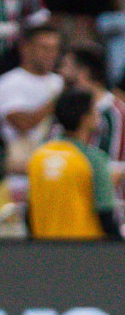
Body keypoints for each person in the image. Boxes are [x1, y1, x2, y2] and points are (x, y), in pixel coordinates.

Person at [27, 88, 120, 240]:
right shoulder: (94, 160)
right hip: (84, 253)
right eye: (94, 111)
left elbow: (29, 213)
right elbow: (105, 215)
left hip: (44, 252)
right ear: (86, 118)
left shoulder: (39, 156)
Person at [0, 23, 63, 177]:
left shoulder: (60, 82)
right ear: (25, 48)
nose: (51, 54)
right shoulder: (7, 83)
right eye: (44, 48)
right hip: (20, 172)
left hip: (57, 168)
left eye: (55, 49)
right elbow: (23, 123)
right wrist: (62, 98)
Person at [60, 43, 125, 187]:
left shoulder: (115, 114)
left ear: (84, 73)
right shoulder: (65, 106)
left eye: (67, 66)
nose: (61, 73)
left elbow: (111, 172)